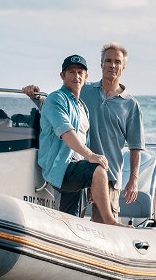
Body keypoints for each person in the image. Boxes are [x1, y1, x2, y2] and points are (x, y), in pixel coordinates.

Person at [24, 42, 144, 223]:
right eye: (108, 61)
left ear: (123, 67)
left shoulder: (130, 104)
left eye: (117, 62)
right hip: (78, 166)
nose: (112, 65)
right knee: (74, 221)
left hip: (107, 174)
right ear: (101, 65)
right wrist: (34, 95)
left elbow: (135, 146)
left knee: (102, 227)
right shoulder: (83, 90)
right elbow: (57, 106)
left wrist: (133, 179)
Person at [37, 54, 124, 226]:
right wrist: (91, 156)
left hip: (75, 169)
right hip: (61, 168)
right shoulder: (56, 99)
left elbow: (84, 141)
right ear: (62, 76)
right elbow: (66, 132)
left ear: (86, 77)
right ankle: (110, 221)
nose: (76, 76)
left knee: (71, 222)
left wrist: (92, 184)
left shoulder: (82, 107)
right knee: (98, 168)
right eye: (71, 72)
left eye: (80, 72)